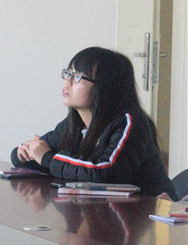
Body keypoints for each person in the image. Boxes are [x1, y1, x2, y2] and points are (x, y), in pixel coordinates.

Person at [11, 46, 177, 199]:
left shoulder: (129, 122)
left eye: (77, 76)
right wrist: (24, 154)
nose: (67, 82)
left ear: (105, 87)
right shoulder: (74, 123)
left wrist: (47, 158)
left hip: (149, 213)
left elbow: (106, 172)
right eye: (68, 73)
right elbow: (48, 158)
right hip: (105, 210)